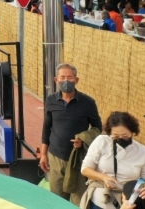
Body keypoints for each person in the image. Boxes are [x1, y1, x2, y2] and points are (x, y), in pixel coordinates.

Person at [40, 63, 102, 204]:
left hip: (78, 158)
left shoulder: (88, 103)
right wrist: (43, 154)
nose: (66, 81)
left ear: (76, 80)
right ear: (56, 80)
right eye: (62, 77)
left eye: (70, 77)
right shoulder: (51, 100)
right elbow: (47, 126)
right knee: (56, 198)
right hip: (56, 156)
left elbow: (98, 128)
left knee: (78, 199)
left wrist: (84, 139)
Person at [80, 111, 145, 209]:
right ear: (109, 132)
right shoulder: (101, 141)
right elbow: (85, 169)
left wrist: (130, 194)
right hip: (99, 200)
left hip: (127, 202)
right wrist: (103, 177)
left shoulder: (143, 152)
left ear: (132, 132)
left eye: (124, 135)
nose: (120, 138)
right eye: (115, 135)